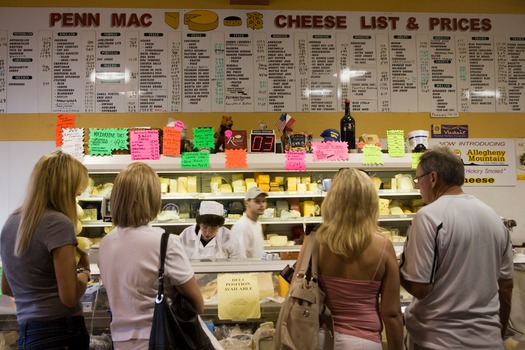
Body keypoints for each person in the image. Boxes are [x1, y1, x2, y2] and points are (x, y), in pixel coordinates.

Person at [400, 146, 514, 350]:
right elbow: (505, 287)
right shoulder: (495, 219)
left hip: (438, 340)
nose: (418, 187)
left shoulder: (428, 217)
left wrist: (395, 267)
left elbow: (420, 288)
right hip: (488, 341)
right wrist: (498, 333)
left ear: (433, 178)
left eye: (418, 180)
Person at [98, 162, 205, 349]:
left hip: (121, 340)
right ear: (152, 198)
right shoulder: (165, 242)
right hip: (161, 338)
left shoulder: (106, 243)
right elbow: (198, 303)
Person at [296, 168, 403, 350]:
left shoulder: (314, 241)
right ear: (370, 202)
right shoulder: (383, 246)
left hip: (320, 338)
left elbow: (296, 290)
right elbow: (391, 313)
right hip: (364, 341)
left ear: (331, 200)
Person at [0, 150, 91, 349]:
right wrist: (84, 272)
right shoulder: (58, 223)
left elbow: (6, 287)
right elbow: (69, 297)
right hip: (60, 331)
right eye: (76, 193)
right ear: (64, 190)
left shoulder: (12, 222)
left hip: (27, 332)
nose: (76, 198)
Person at [179, 201, 245, 259]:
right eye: (204, 227)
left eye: (214, 228)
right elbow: (175, 259)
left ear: (219, 226)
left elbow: (238, 263)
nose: (208, 233)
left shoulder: (229, 237)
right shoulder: (186, 235)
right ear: (199, 224)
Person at [231, 187, 268, 259]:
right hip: (247, 269)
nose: (261, 205)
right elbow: (240, 259)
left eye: (263, 201)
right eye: (257, 201)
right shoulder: (242, 226)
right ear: (246, 203)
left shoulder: (257, 224)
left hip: (256, 268)